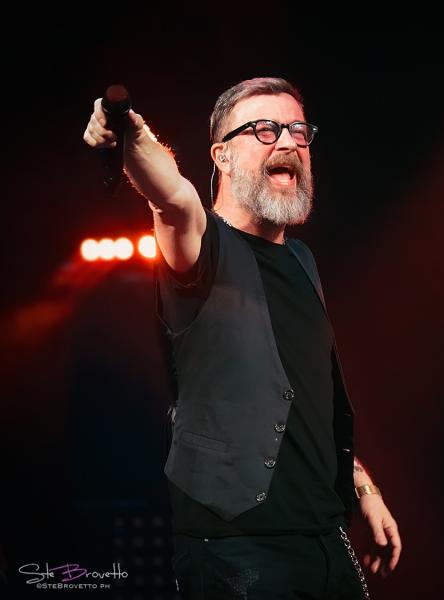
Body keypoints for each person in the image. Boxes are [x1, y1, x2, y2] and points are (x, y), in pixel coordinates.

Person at [83, 77, 401, 599]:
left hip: (326, 540)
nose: (287, 141)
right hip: (237, 550)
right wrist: (131, 133)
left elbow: (304, 403)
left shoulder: (302, 261)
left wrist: (363, 487)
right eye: (264, 129)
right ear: (222, 157)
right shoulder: (201, 244)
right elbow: (171, 195)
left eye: (298, 130)